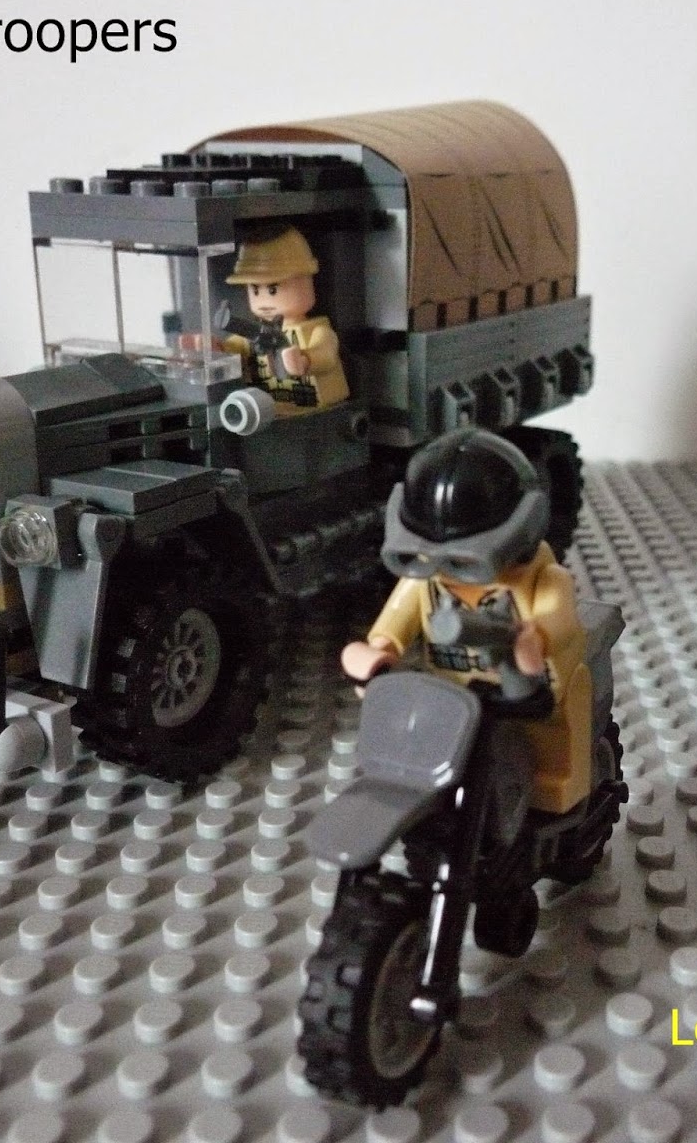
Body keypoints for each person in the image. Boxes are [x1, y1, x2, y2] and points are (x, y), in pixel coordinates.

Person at [341, 429, 592, 815]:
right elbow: (393, 625)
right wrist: (379, 652)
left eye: (465, 561)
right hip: (450, 694)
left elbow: (558, 623)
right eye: (428, 557)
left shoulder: (546, 579)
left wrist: (534, 639)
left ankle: (569, 803)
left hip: (529, 691)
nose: (447, 573)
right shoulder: (423, 582)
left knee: (549, 759)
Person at [220, 226, 349, 413]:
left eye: (273, 290)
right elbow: (233, 348)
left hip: (317, 409)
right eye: (255, 289)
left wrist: (305, 361)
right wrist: (214, 350)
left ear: (307, 282)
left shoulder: (317, 330)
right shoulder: (255, 332)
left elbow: (326, 355)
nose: (264, 302)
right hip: (267, 410)